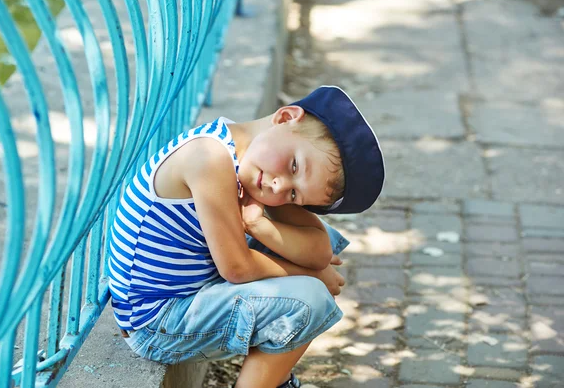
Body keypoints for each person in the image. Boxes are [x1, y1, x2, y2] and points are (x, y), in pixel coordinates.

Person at [106, 85, 385, 388]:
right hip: (157, 323)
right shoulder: (210, 157)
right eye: (294, 166)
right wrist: (314, 276)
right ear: (286, 117)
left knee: (307, 244)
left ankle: (272, 378)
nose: (279, 187)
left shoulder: (255, 159)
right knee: (309, 301)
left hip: (192, 295)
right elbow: (237, 268)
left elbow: (319, 250)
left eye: (294, 194)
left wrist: (260, 226)